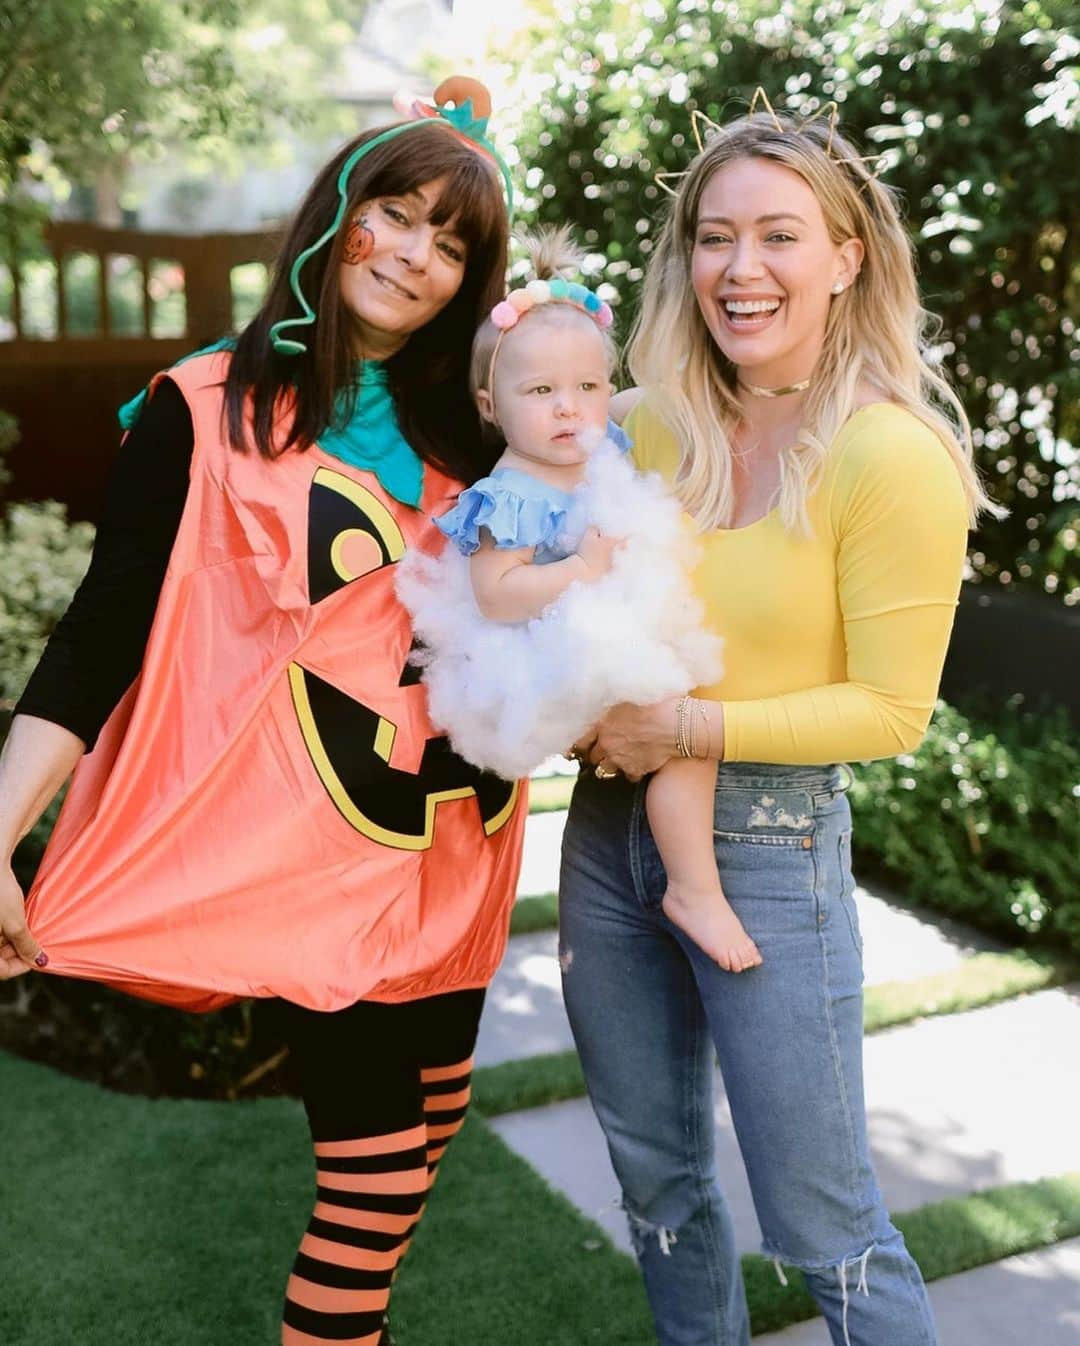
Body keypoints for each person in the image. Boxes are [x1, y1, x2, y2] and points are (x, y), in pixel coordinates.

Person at [0, 78, 526, 1346]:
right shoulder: (206, 407)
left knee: (433, 1121)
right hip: (305, 842)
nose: (414, 254)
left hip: (461, 832)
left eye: (452, 243)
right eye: (397, 213)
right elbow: (100, 635)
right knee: (377, 1163)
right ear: (337, 212)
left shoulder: (482, 425)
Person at [560, 91, 997, 1346]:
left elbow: (890, 709)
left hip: (770, 851)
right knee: (658, 1187)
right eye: (712, 236)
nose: (738, 268)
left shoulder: (888, 455)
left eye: (778, 236)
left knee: (824, 1223)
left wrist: (681, 732)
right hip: (605, 838)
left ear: (848, 256)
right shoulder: (638, 427)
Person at [397, 227, 760, 973]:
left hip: (589, 626)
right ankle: (695, 889)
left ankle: (687, 881)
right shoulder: (512, 492)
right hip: (532, 648)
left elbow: (655, 407)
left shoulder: (604, 440)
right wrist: (584, 569)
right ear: (489, 406)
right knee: (679, 726)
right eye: (540, 392)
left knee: (683, 725)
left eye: (587, 388)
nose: (569, 410)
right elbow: (497, 595)